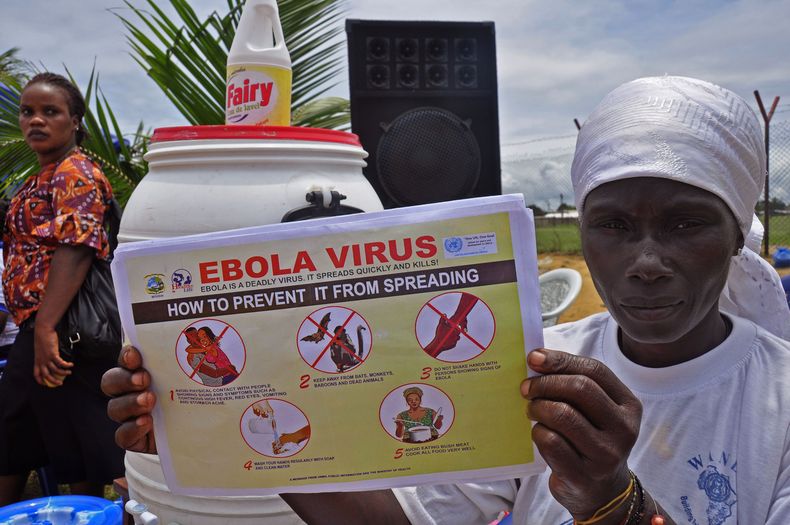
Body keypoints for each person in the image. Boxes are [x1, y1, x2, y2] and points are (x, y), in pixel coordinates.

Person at [102, 76, 790, 524]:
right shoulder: (539, 366)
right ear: (582, 232)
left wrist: (615, 500)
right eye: (612, 224)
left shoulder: (778, 402)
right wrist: (221, 423)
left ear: (738, 232)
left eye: (684, 223)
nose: (644, 262)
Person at [0, 72, 124, 505]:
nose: (35, 120)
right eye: (27, 111)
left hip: (65, 327)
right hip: (37, 325)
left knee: (91, 446)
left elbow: (78, 247)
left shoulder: (76, 172)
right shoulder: (39, 179)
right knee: (27, 436)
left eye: (50, 111)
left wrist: (48, 328)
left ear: (74, 121)